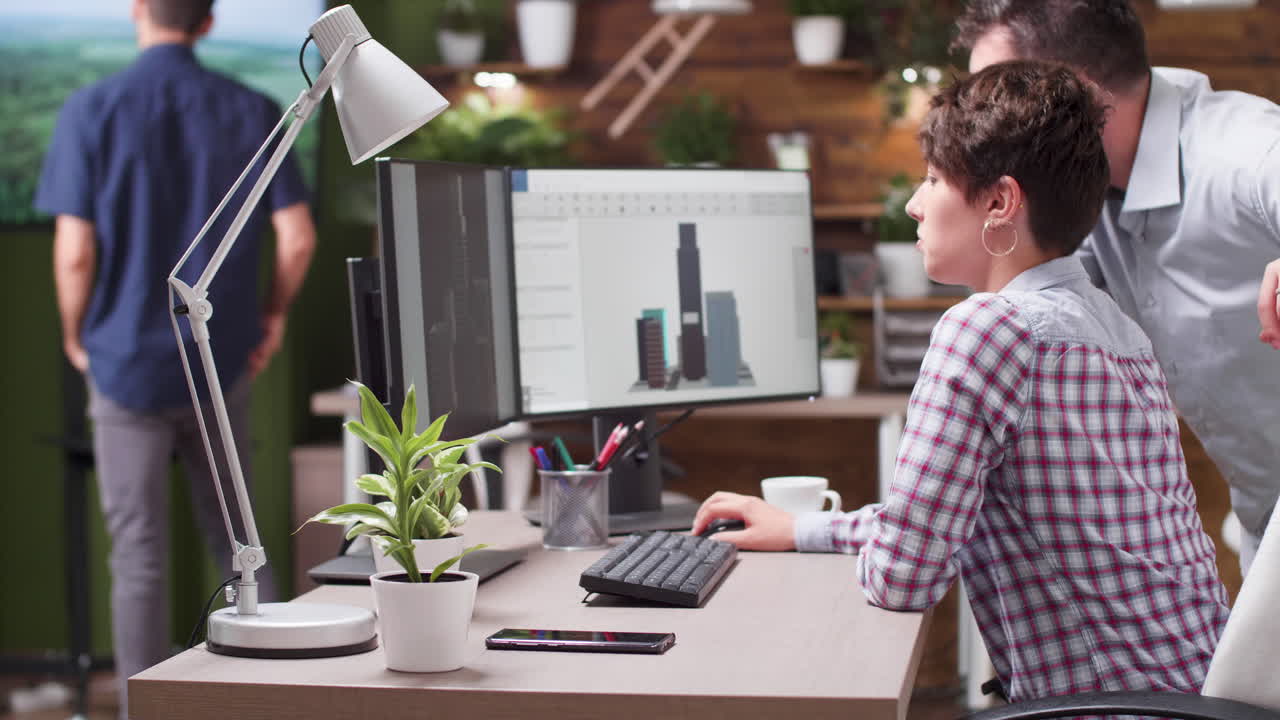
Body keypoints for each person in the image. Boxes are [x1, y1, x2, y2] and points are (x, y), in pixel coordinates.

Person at [693, 61, 1230, 703]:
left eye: (931, 179)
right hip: (1195, 696)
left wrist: (865, 542)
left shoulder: (986, 330)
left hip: (1107, 712)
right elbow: (930, 525)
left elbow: (904, 574)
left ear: (1000, 202)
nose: (915, 204)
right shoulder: (1118, 330)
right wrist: (803, 530)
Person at [34, 0, 315, 715]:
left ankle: (146, 710)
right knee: (240, 546)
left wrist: (76, 335)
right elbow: (298, 238)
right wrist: (273, 316)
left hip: (123, 361)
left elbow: (73, 254)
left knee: (138, 559)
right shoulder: (252, 109)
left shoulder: (89, 108)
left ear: (138, 12)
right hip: (218, 363)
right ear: (208, 22)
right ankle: (273, 698)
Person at [954, 0, 1280, 576]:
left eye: (996, 95)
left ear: (1073, 94)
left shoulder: (1243, 149)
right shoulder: (1082, 193)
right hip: (1264, 523)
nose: (980, 123)